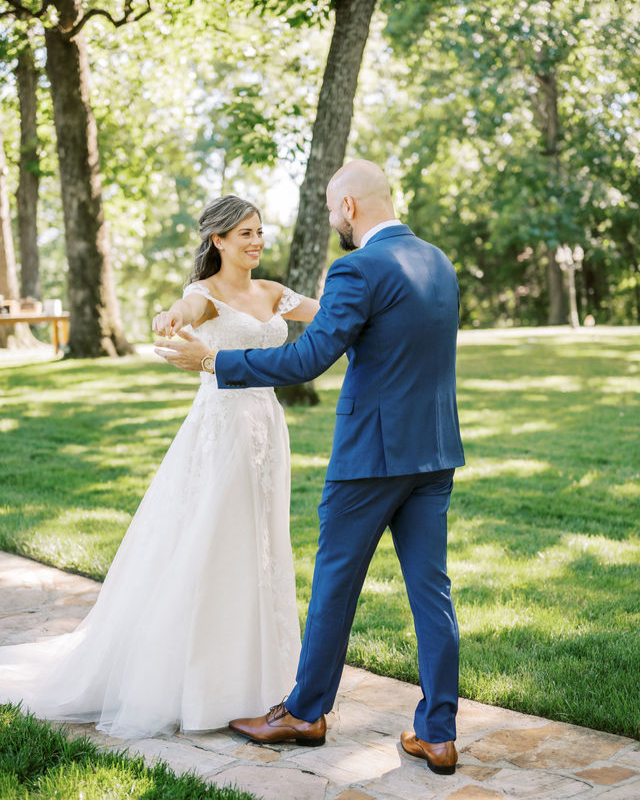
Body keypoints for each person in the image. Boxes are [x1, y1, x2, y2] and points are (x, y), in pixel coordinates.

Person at [154, 160, 465, 775]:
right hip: (434, 453)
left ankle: (305, 711)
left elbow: (308, 360)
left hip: (371, 459)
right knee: (433, 593)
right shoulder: (438, 263)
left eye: (329, 209)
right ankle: (439, 733)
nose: (331, 221)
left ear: (349, 207)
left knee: (333, 588)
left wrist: (215, 363)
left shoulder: (357, 268)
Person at [0, 195, 319, 739]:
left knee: (263, 542)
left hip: (268, 425)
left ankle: (264, 677)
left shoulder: (272, 293)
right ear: (217, 240)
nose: (256, 241)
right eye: (244, 233)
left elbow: (336, 312)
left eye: (259, 231)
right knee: (215, 540)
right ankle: (202, 682)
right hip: (222, 430)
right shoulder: (206, 295)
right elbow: (183, 313)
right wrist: (170, 318)